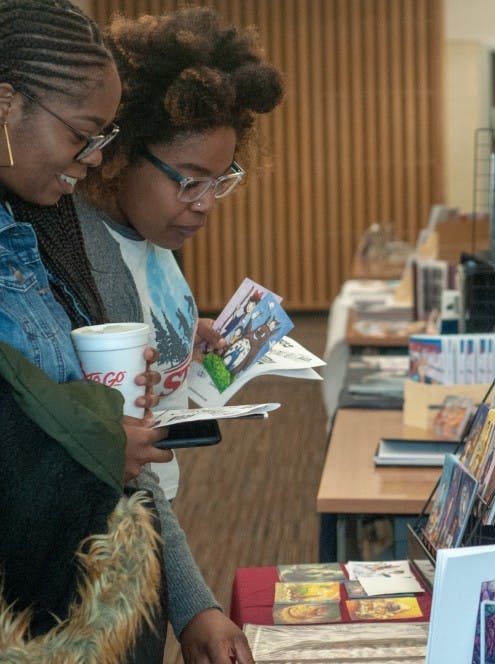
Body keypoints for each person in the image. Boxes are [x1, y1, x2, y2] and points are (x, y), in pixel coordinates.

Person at [0, 0, 166, 659]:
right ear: (6, 103)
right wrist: (97, 437)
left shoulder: (34, 222)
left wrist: (116, 393)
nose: (94, 159)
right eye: (82, 134)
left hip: (71, 597)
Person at [76, 7, 283, 507]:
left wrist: (185, 332)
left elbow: (144, 318)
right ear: (120, 154)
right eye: (189, 181)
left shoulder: (154, 240)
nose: (206, 204)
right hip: (116, 512)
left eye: (219, 182)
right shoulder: (82, 257)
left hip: (161, 500)